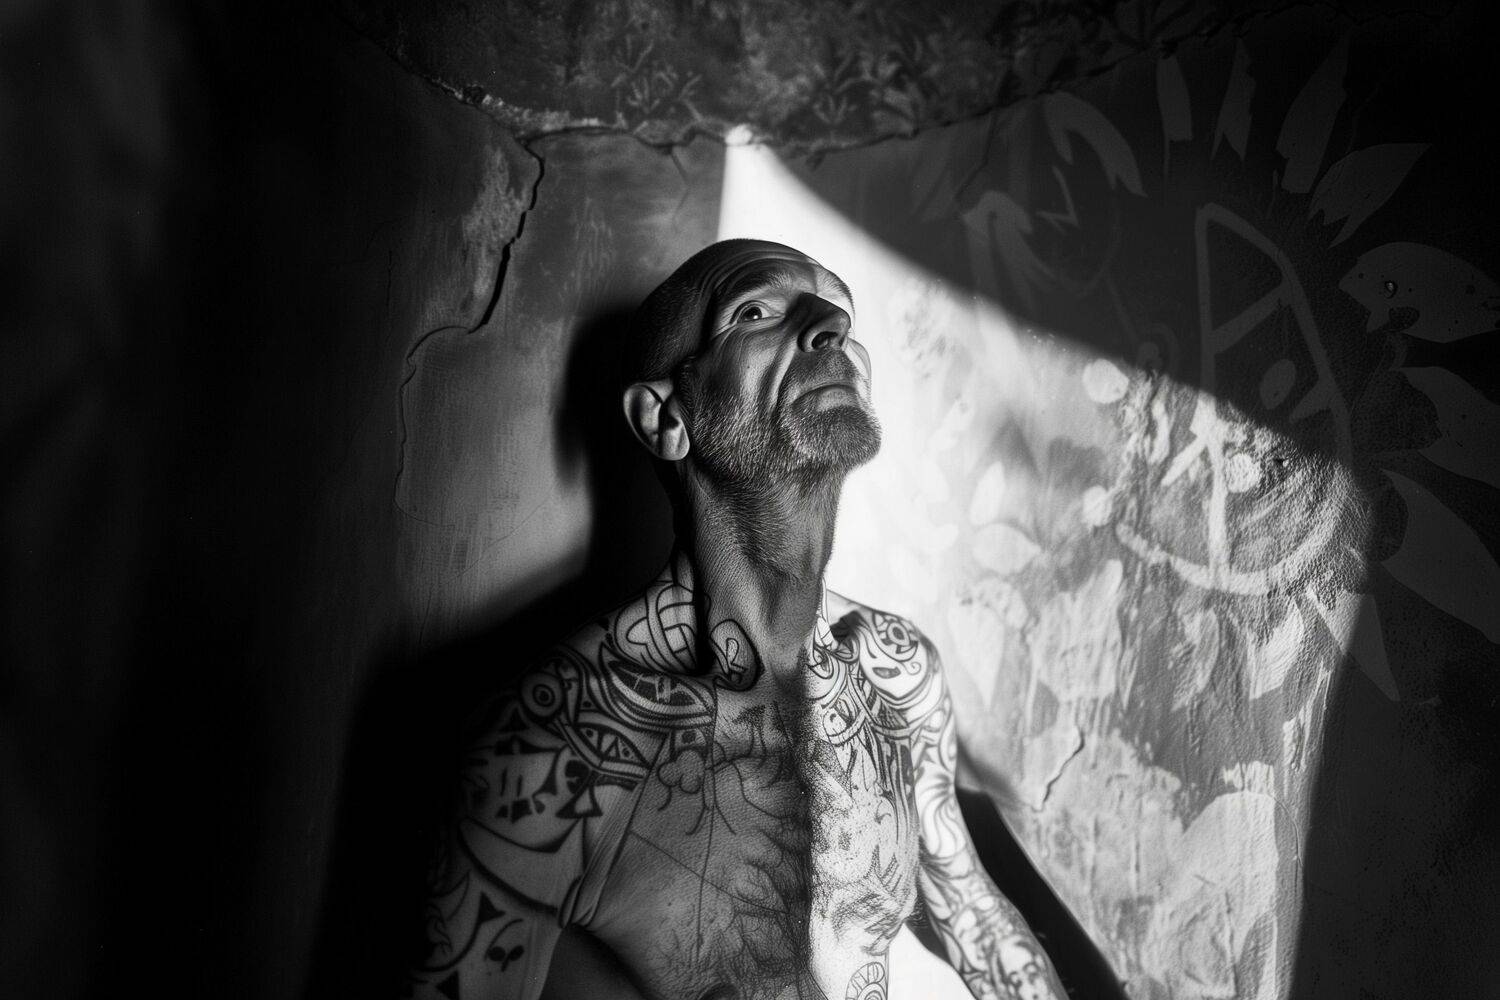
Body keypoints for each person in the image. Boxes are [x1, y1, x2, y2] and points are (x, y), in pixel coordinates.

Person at [405, 240, 1067, 1000]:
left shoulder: (897, 678)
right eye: (754, 312)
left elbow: (973, 916)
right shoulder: (558, 748)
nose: (829, 328)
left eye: (838, 315)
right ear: (666, 418)